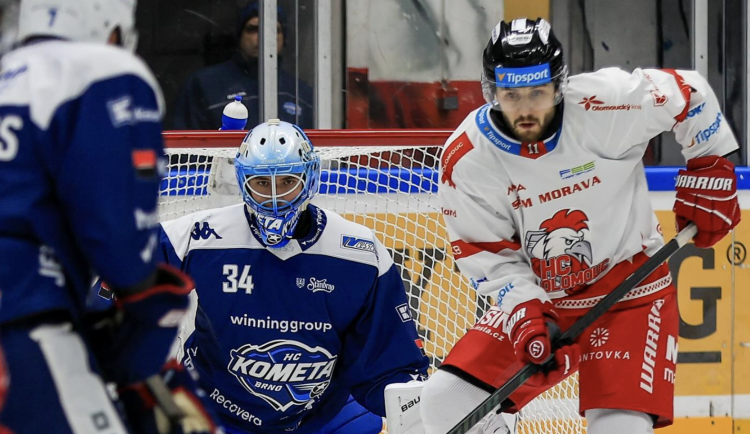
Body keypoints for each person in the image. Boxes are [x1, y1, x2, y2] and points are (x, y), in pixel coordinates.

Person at [419, 17, 740, 434]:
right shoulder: (467, 159)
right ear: (491, 91)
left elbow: (689, 92)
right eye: (511, 94)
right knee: (444, 404)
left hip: (632, 293)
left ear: (559, 84)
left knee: (619, 428)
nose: (527, 108)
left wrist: (710, 163)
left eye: (538, 92)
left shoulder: (606, 103)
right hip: (546, 300)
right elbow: (492, 260)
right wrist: (528, 316)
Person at [0, 1, 219, 433]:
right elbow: (117, 235)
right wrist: (145, 336)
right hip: (22, 324)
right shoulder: (100, 71)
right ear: (111, 25)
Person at [153, 119, 429, 434]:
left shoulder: (360, 253)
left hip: (324, 414)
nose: (274, 197)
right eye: (261, 183)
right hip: (210, 409)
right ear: (244, 181)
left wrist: (415, 411)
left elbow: (390, 365)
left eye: (286, 181)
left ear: (309, 178)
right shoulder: (203, 235)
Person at [173, 2, 314, 130]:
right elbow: (185, 149)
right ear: (240, 36)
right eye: (253, 29)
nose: (263, 35)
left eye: (274, 29)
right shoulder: (204, 84)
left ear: (284, 39)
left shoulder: (301, 93)